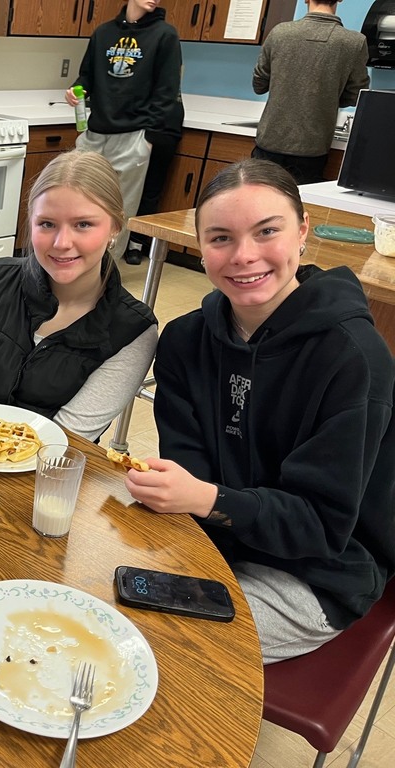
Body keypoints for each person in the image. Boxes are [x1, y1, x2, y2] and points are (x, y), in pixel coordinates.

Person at [124, 159, 395, 663]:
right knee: (90, 591)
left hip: (315, 573)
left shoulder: (352, 358)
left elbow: (320, 525)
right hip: (215, 538)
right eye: (221, 237)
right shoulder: (185, 340)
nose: (244, 256)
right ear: (200, 245)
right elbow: (190, 472)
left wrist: (204, 497)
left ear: (302, 232)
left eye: (267, 231)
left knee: (153, 649)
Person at [0, 150, 158, 442]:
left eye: (83, 224)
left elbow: (66, 441)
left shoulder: (133, 331)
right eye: (46, 224)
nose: (61, 243)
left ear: (115, 227)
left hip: (45, 477)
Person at [66, 0, 183, 261]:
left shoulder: (165, 35)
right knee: (80, 202)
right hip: (95, 133)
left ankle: (107, 274)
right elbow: (86, 76)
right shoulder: (103, 33)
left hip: (134, 135)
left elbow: (167, 91)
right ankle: (75, 262)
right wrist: (76, 91)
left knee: (120, 210)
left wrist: (148, 138)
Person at [252, 0, 369, 185]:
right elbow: (356, 96)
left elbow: (258, 85)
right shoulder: (354, 42)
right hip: (312, 149)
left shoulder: (280, 33)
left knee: (257, 205)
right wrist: (326, 96)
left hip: (269, 142)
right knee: (298, 208)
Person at [124, 95, 184, 265]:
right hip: (138, 128)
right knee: (123, 190)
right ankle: (119, 244)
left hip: (162, 128)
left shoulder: (162, 77)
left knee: (150, 190)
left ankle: (135, 245)